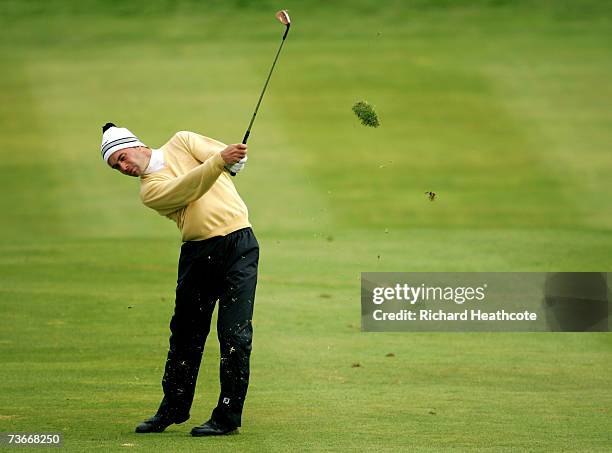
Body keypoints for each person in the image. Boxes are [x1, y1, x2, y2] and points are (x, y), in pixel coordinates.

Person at [100, 123, 259, 436]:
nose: (124, 167)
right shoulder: (150, 191)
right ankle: (173, 407)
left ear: (135, 144)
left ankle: (227, 417)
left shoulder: (183, 141)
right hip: (199, 255)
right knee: (186, 335)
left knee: (235, 335)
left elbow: (226, 159)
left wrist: (234, 159)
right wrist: (220, 161)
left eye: (121, 157)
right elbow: (190, 187)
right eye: (117, 167)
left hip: (241, 244)